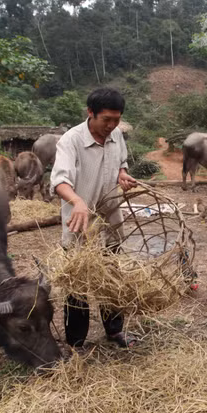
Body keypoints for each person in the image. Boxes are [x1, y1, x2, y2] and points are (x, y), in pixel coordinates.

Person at [50, 87, 139, 349]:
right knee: (77, 281)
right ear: (90, 113)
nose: (111, 125)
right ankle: (76, 342)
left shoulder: (117, 136)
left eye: (116, 119)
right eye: (106, 120)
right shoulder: (71, 140)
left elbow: (120, 162)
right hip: (80, 224)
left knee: (112, 276)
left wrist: (122, 174)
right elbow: (59, 181)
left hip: (110, 221)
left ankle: (114, 332)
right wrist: (77, 201)